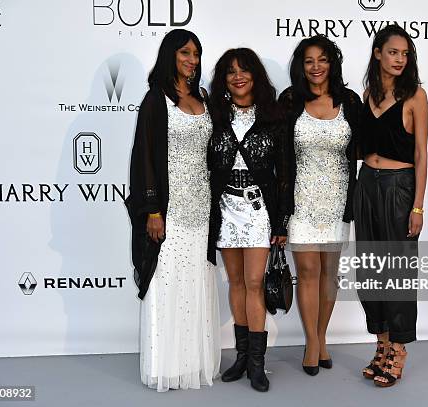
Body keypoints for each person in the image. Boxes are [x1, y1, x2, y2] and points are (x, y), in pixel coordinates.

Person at [126, 29, 220, 391]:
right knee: (167, 285)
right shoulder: (156, 99)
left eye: (196, 54)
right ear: (170, 55)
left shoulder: (204, 98)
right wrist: (152, 209)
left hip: (202, 208)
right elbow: (144, 157)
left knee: (196, 284)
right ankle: (166, 367)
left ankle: (194, 363)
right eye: (185, 53)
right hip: (170, 209)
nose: (192, 60)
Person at [207, 48, 293, 392]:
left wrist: (281, 222)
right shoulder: (214, 115)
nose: (238, 76)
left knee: (255, 283)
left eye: (244, 70)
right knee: (237, 283)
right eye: (230, 71)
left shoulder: (273, 116)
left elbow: (285, 171)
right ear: (224, 80)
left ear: (255, 76)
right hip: (225, 205)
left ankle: (258, 364)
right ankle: (241, 357)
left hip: (258, 209)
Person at [278, 35, 362, 376]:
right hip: (300, 200)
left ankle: (322, 336)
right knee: (308, 273)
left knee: (330, 274)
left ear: (332, 63)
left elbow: (363, 149)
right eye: (309, 60)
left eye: (322, 59)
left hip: (338, 199)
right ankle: (312, 342)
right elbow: (280, 157)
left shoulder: (350, 102)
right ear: (301, 65)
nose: (316, 67)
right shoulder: (289, 101)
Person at [356, 24, 428, 387]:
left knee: (397, 272)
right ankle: (381, 343)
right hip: (366, 185)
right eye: (393, 52)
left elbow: (421, 153)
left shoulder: (415, 96)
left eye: (405, 53)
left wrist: (417, 206)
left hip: (400, 188)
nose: (400, 59)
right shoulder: (366, 93)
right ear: (378, 54)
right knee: (370, 270)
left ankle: (399, 348)